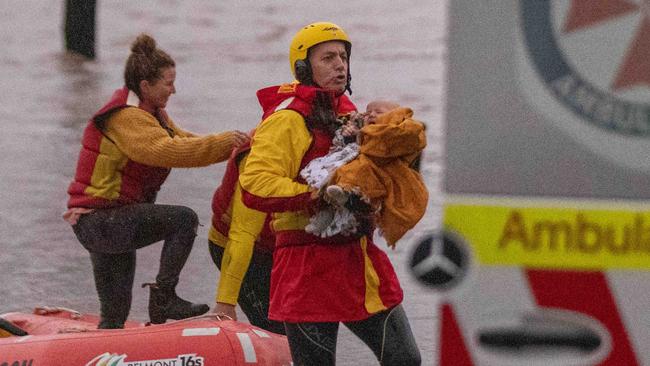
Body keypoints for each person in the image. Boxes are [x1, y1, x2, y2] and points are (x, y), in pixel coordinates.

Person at [238, 22, 421, 365]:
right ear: (304, 68)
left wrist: (405, 146)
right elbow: (254, 184)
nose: (340, 65)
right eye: (328, 58)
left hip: (358, 262)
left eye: (343, 57)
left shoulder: (350, 114)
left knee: (405, 360)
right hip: (307, 270)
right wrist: (318, 195)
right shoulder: (286, 120)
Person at [64, 33, 249, 329]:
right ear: (146, 86)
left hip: (108, 221)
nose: (173, 90)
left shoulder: (151, 112)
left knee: (114, 315)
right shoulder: (126, 117)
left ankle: (110, 347)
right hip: (102, 222)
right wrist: (226, 143)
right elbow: (168, 151)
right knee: (183, 220)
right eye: (168, 83)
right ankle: (164, 296)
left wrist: (239, 143)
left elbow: (185, 140)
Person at [302, 99, 428, 247]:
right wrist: (352, 137)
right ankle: (328, 211)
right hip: (364, 171)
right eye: (368, 112)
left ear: (395, 115)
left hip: (389, 176)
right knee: (342, 173)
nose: (371, 115)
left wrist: (364, 135)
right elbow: (357, 147)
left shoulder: (403, 130)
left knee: (359, 178)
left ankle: (345, 199)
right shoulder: (362, 129)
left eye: (379, 112)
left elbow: (391, 143)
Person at [207, 140, 285, 334]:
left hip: (281, 250)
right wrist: (226, 301)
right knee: (275, 328)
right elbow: (242, 234)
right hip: (243, 250)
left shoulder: (332, 141)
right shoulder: (258, 157)